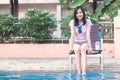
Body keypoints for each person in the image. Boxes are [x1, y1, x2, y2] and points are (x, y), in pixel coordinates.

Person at [69, 6, 93, 75]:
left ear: (83, 13)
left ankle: (84, 71)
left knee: (83, 49)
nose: (79, 14)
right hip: (76, 42)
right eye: (77, 13)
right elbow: (72, 34)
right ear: (75, 15)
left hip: (84, 41)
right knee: (76, 49)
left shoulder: (88, 22)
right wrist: (70, 47)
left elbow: (88, 34)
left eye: (80, 12)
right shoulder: (73, 22)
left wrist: (90, 46)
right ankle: (79, 71)